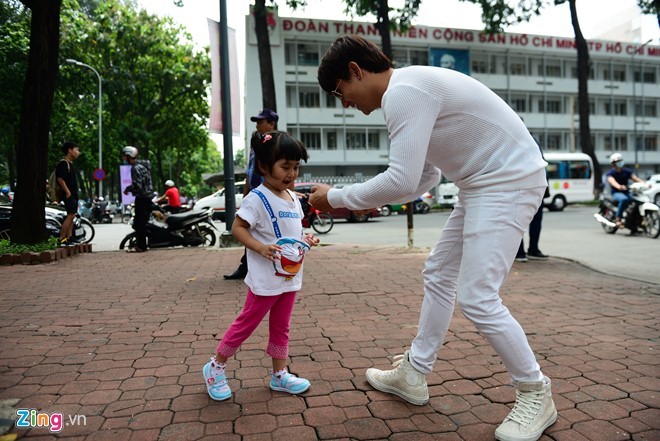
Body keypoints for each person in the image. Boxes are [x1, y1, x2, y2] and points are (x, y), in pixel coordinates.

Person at [312, 35, 556, 441]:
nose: (345, 103)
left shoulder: (403, 92)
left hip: (508, 181)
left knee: (478, 295)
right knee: (439, 273)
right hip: (482, 184)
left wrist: (334, 198)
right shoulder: (410, 90)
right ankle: (414, 373)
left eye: (341, 92)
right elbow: (423, 179)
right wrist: (340, 199)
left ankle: (535, 391)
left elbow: (402, 179)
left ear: (356, 71)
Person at [203, 130, 319, 401]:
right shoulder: (257, 198)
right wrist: (260, 248)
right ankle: (215, 367)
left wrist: (306, 238)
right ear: (265, 167)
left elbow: (293, 232)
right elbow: (237, 228)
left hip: (289, 277)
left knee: (281, 326)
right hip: (265, 279)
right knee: (247, 322)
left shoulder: (292, 199)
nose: (291, 174)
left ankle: (279, 375)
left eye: (296, 167)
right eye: (285, 167)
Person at [224, 108, 280, 280]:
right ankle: (247, 266)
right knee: (250, 228)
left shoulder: (277, 143)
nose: (257, 125)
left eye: (261, 121)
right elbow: (250, 170)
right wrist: (246, 193)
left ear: (271, 124)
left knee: (266, 230)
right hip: (255, 194)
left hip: (269, 193)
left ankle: (269, 263)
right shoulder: (255, 143)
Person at [516, 137, 549, 262]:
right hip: (531, 185)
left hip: (530, 186)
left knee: (524, 220)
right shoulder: (531, 140)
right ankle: (527, 251)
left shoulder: (525, 140)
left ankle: (525, 251)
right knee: (527, 220)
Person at [122, 146, 154, 253]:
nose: (124, 158)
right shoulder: (144, 166)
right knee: (143, 221)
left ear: (129, 156)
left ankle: (141, 246)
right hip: (148, 196)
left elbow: (138, 186)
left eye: (125, 156)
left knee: (139, 222)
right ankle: (143, 244)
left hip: (142, 198)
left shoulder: (135, 168)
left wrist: (127, 189)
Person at [606, 152, 645, 229]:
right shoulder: (611, 173)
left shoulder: (626, 171)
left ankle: (635, 220)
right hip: (616, 193)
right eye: (618, 161)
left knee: (637, 200)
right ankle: (618, 219)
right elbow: (612, 182)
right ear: (613, 163)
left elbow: (635, 178)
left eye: (620, 160)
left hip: (627, 192)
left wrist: (645, 183)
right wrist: (619, 186)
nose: (620, 163)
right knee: (624, 199)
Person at [56, 142, 80, 246]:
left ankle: (69, 238)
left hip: (73, 194)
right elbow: (60, 179)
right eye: (76, 150)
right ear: (70, 150)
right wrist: (67, 191)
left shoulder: (70, 163)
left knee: (72, 215)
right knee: (70, 215)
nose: (78, 152)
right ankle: (61, 238)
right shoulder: (63, 163)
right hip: (68, 194)